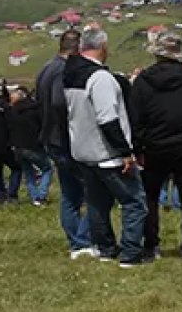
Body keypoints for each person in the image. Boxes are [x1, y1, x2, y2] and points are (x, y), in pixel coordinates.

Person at [64, 28, 149, 267]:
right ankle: (131, 253)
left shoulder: (70, 75)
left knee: (97, 203)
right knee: (133, 202)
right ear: (103, 47)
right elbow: (108, 119)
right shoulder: (100, 78)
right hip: (107, 153)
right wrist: (125, 152)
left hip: (83, 150)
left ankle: (106, 249)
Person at [130, 33, 182, 261]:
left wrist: (138, 149)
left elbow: (135, 119)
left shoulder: (142, 82)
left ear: (156, 54)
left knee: (150, 198)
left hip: (154, 147)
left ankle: (151, 246)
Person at [36, 30, 94, 257]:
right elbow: (60, 102)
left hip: (50, 137)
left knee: (70, 194)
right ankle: (82, 240)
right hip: (65, 138)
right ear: (78, 48)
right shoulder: (63, 70)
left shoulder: (46, 69)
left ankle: (76, 241)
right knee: (95, 192)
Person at [8, 87, 52, 206]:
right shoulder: (35, 109)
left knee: (29, 173)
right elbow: (43, 126)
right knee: (47, 168)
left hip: (18, 147)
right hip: (33, 145)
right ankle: (41, 196)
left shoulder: (12, 111)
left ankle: (34, 197)